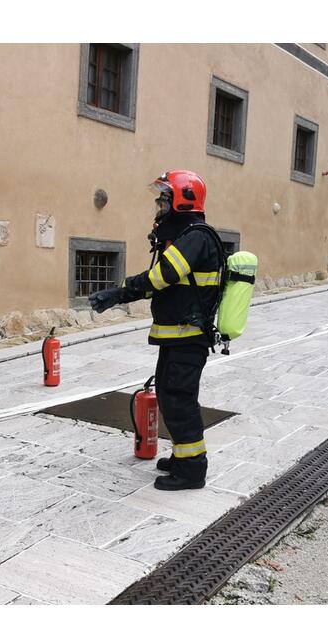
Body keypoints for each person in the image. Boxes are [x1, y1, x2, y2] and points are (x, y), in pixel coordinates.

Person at [89, 170, 223, 491]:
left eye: (164, 200)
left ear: (182, 201)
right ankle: (183, 456)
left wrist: (121, 291)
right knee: (169, 395)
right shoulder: (185, 237)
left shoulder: (196, 237)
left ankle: (192, 470)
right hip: (177, 336)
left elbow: (163, 275)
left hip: (188, 336)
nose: (159, 206)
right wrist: (121, 295)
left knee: (179, 399)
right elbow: (163, 282)